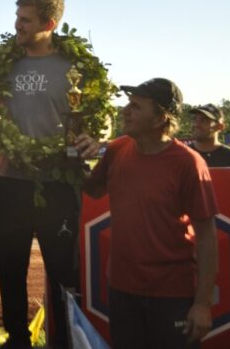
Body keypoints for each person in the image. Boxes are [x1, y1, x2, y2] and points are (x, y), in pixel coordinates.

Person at [0, 0, 98, 349]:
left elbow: (97, 118)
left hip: (57, 185)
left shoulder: (75, 67)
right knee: (10, 272)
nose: (16, 25)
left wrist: (94, 137)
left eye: (25, 19)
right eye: (17, 16)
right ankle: (17, 341)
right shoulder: (1, 63)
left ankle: (65, 342)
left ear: (49, 24)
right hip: (8, 183)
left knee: (65, 275)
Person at [82, 78, 218, 348]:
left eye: (135, 106)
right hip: (122, 290)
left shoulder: (189, 163)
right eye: (127, 104)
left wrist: (202, 305)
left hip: (172, 295)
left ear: (160, 119)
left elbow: (207, 237)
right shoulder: (118, 148)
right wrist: (75, 156)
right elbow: (94, 190)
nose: (125, 111)